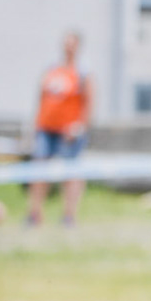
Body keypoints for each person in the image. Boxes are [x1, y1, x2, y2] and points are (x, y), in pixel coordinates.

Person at [28, 30, 92, 227]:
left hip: (69, 133)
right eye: (66, 43)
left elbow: (89, 104)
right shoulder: (52, 70)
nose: (68, 47)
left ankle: (68, 216)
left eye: (72, 44)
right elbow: (41, 98)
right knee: (39, 172)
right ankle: (34, 215)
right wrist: (35, 125)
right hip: (46, 129)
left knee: (70, 174)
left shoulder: (83, 73)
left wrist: (80, 127)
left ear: (78, 47)